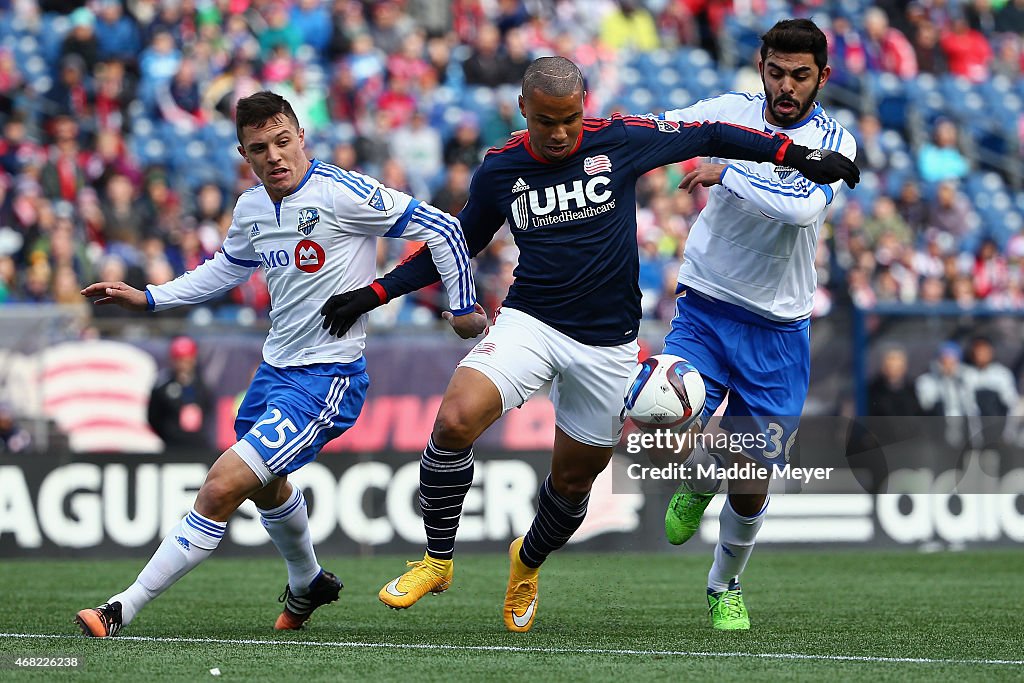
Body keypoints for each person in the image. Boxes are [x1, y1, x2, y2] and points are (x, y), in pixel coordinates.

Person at [318, 56, 858, 632]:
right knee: (453, 421)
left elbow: (713, 133)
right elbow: (456, 242)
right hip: (531, 323)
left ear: (584, 107)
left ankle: (526, 563)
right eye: (547, 121)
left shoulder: (619, 140)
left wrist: (798, 156)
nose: (560, 134)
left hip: (608, 349)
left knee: (573, 484)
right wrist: (373, 292)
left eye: (571, 119)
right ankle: (437, 560)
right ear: (523, 110)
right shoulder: (501, 170)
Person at [74, 90, 486, 638]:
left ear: (301, 136)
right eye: (259, 147)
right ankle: (308, 581)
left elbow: (444, 228)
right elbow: (225, 269)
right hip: (272, 374)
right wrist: (149, 298)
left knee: (221, 485)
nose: (274, 155)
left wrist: (460, 307)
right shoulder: (250, 208)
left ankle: (120, 608)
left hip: (328, 378)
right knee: (266, 487)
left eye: (283, 140)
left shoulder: (341, 193)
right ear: (245, 155)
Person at [655, 19, 858, 630]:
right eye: (776, 72)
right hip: (707, 302)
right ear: (761, 66)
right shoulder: (731, 112)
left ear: (823, 76)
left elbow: (798, 210)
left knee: (750, 482)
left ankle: (724, 584)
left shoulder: (835, 141)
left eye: (800, 75)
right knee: (662, 409)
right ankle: (695, 474)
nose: (786, 87)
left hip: (778, 326)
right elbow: (663, 128)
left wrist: (728, 172)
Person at [147, 336, 215, 451]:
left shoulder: (202, 385)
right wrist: (169, 433)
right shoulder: (163, 385)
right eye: (180, 360)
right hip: (172, 446)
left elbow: (208, 409)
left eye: (187, 360)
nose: (183, 365)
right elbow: (153, 417)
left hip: (198, 446)